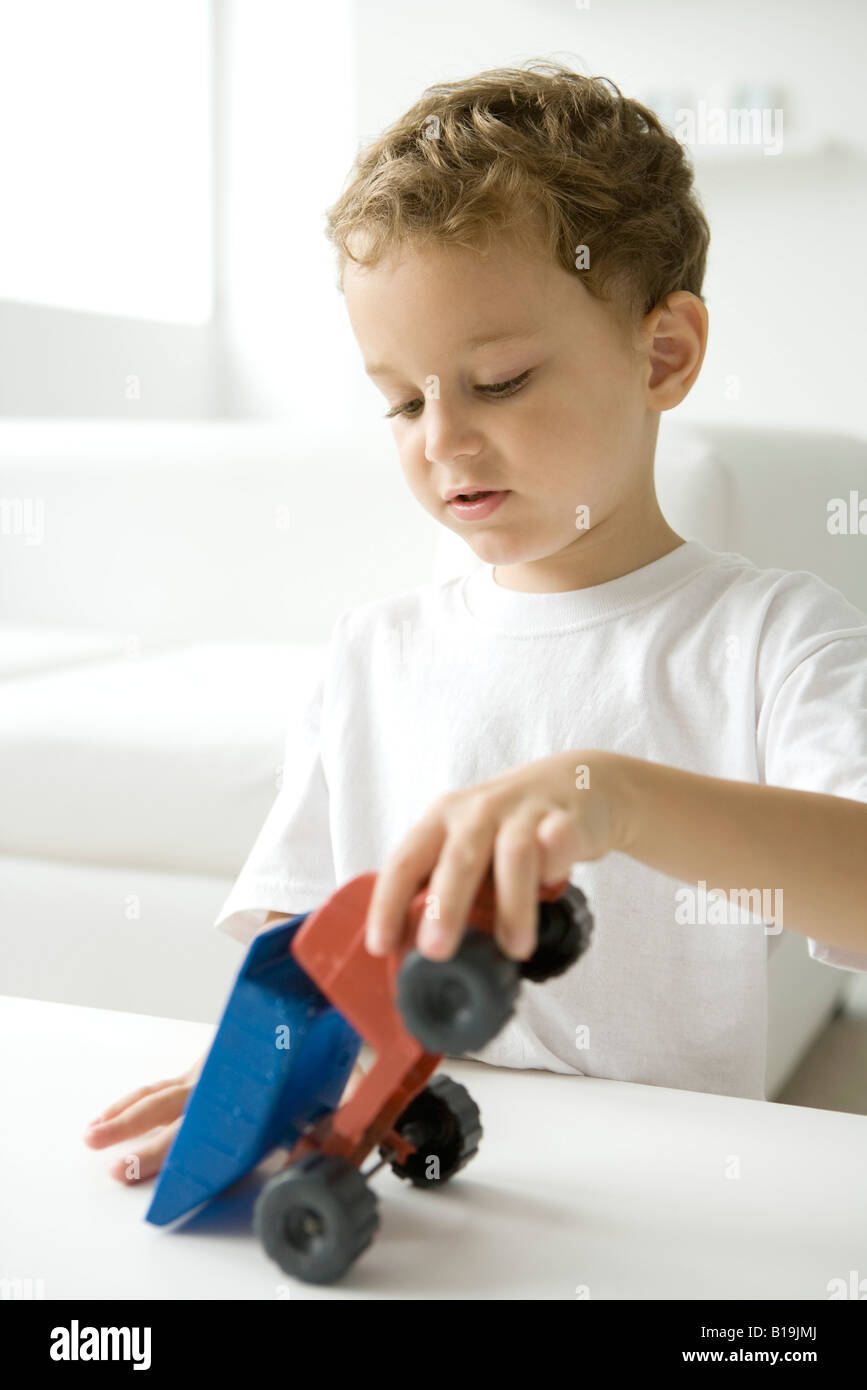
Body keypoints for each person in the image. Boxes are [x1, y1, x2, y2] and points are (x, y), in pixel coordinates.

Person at [84, 61, 867, 1186]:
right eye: (402, 399)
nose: (440, 439)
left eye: (496, 381)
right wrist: (249, 1080)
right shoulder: (376, 652)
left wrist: (618, 793)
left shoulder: (770, 638)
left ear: (664, 354)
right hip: (435, 1191)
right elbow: (301, 930)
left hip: (677, 1189)